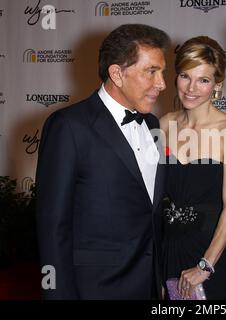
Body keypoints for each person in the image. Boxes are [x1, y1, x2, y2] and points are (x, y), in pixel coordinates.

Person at [36, 24, 171, 299]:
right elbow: (53, 227)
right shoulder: (69, 126)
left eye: (162, 72)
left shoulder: (154, 124)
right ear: (117, 74)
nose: (162, 84)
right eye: (151, 72)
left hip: (148, 284)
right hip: (96, 288)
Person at [159, 36, 226, 300]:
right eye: (185, 76)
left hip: (209, 253)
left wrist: (204, 266)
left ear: (217, 85)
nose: (191, 88)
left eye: (203, 80)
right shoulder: (163, 124)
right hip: (167, 247)